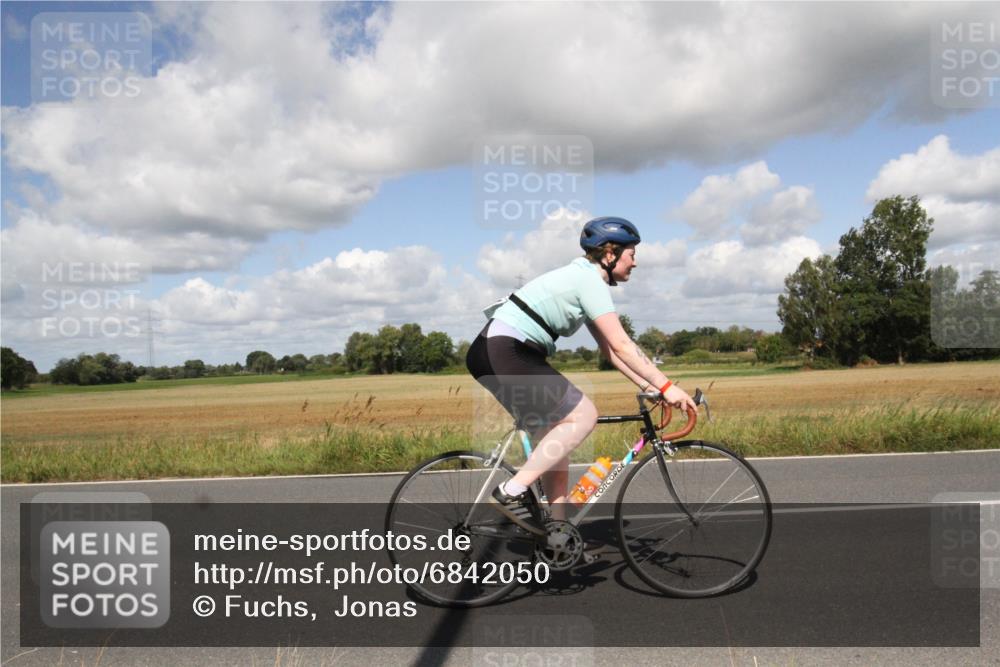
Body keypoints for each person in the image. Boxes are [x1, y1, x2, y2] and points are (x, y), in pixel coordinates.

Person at [465, 216, 696, 536]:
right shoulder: (588, 280)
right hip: (505, 350)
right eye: (632, 253)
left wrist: (648, 386)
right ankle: (511, 491)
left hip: (504, 351)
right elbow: (622, 344)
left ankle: (558, 537)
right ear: (610, 253)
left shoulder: (583, 279)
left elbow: (611, 353)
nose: (635, 262)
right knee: (583, 415)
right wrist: (668, 386)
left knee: (556, 447)